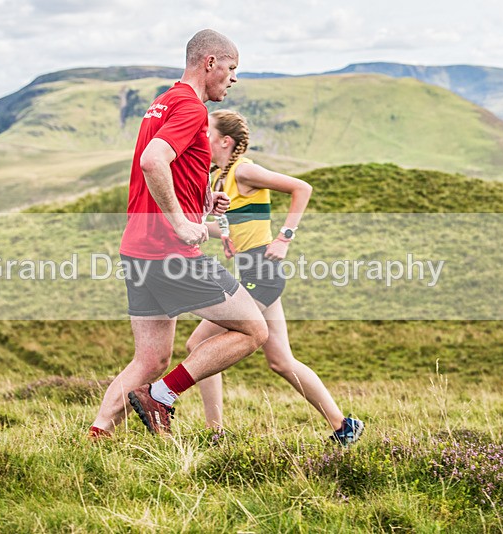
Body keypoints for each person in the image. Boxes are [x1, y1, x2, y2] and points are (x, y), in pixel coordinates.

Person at [89, 30, 269, 438]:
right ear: (210, 63)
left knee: (150, 359)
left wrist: (200, 203)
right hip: (169, 252)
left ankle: (97, 435)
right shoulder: (190, 107)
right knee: (254, 329)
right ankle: (161, 396)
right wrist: (180, 222)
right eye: (232, 68)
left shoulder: (163, 102)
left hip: (138, 248)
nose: (234, 78)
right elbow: (153, 161)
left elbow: (167, 168)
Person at [187, 109, 365, 445]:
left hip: (262, 272)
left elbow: (302, 188)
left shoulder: (245, 171)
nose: (200, 137)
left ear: (225, 141)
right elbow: (238, 223)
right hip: (256, 272)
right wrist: (214, 233)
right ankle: (344, 426)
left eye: (206, 132)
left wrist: (285, 237)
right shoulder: (219, 178)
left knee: (198, 344)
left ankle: (215, 433)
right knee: (281, 361)